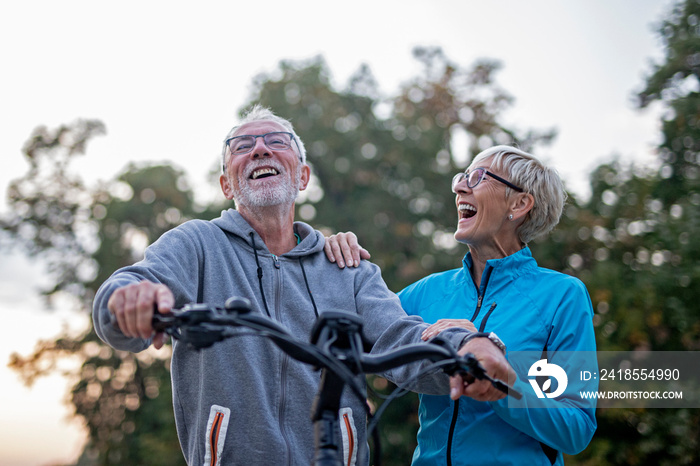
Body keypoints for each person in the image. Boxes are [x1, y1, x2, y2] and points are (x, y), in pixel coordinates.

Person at [92, 106, 515, 466]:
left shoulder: (347, 266)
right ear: (226, 185)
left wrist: (469, 346)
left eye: (277, 141)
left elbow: (401, 337)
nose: (259, 148)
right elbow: (129, 287)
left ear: (303, 176)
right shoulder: (197, 244)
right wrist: (128, 300)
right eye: (242, 146)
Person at [325, 145, 597, 466]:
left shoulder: (563, 295)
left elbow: (577, 430)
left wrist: (504, 385)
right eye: (462, 176)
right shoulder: (427, 291)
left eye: (478, 177)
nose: (459, 186)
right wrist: (335, 259)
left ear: (520, 203)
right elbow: (348, 331)